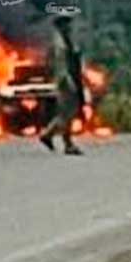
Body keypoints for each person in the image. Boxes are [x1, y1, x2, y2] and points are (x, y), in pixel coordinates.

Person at [39, 13, 85, 156]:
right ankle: (65, 143)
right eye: (66, 24)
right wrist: (68, 81)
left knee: (68, 112)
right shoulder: (60, 44)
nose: (69, 26)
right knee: (67, 113)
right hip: (66, 82)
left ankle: (49, 135)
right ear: (60, 26)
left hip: (71, 79)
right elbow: (61, 66)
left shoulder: (67, 40)